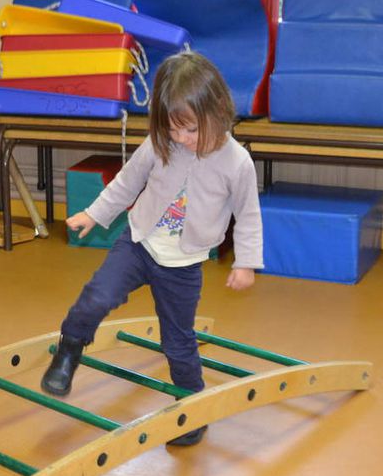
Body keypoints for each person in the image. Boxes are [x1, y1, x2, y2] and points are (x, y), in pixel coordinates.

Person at [41, 51, 263, 447]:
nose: (181, 139)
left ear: (217, 111)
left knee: (177, 342)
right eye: (173, 130)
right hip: (138, 242)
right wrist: (94, 214)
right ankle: (69, 350)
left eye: (190, 130)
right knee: (96, 297)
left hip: (183, 265)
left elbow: (248, 214)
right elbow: (128, 181)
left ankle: (191, 411)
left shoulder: (238, 162)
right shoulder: (161, 143)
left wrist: (245, 262)